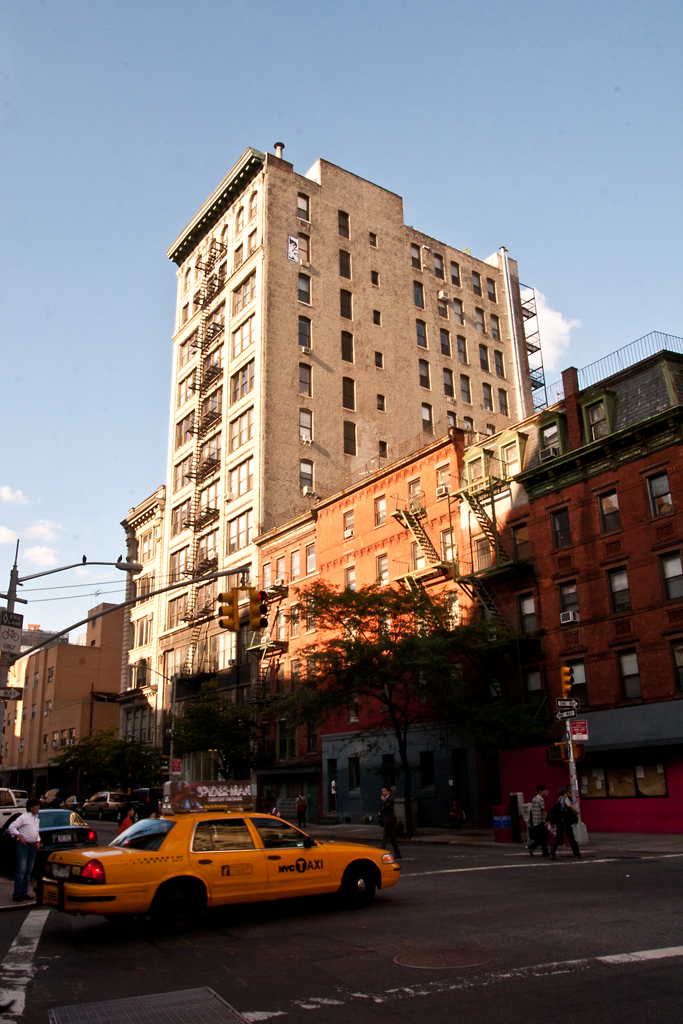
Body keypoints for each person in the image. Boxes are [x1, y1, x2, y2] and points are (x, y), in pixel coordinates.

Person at [9, 799, 41, 902]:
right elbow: (12, 827)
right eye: (36, 805)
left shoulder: (36, 819)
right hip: (23, 846)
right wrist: (19, 836)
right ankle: (17, 893)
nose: (38, 807)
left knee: (28, 870)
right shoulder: (24, 817)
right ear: (31, 808)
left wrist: (38, 841)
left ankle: (24, 891)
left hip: (32, 846)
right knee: (22, 869)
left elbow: (36, 832)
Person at [549, 786, 581, 859]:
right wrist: (575, 810)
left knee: (558, 836)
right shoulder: (565, 799)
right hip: (566, 820)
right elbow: (569, 805)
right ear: (564, 793)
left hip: (559, 820)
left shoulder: (559, 799)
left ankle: (552, 853)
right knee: (571, 836)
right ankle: (576, 852)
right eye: (566, 792)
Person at [527, 784, 549, 857]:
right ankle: (532, 847)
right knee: (543, 837)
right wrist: (547, 817)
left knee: (540, 837)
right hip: (540, 820)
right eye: (544, 790)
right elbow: (543, 809)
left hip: (535, 820)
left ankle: (544, 852)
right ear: (540, 791)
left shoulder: (534, 799)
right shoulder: (540, 799)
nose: (545, 792)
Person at [379, 787, 401, 859]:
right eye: (382, 791)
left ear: (388, 792)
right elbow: (383, 808)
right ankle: (397, 853)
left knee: (385, 837)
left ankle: (380, 852)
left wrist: (383, 800)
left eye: (384, 791)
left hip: (389, 820)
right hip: (386, 819)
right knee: (392, 838)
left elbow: (386, 806)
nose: (383, 792)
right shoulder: (385, 799)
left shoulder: (390, 799)